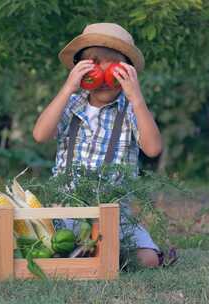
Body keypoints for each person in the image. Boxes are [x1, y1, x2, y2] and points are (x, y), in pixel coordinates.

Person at [33, 23, 174, 267]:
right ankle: (92, 254)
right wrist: (68, 88)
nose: (105, 73)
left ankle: (95, 253)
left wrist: (137, 97)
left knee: (148, 259)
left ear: (127, 71)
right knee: (48, 245)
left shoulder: (131, 109)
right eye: (95, 62)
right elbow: (40, 134)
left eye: (114, 64)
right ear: (79, 68)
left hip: (114, 215)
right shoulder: (72, 103)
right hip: (66, 210)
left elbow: (153, 149)